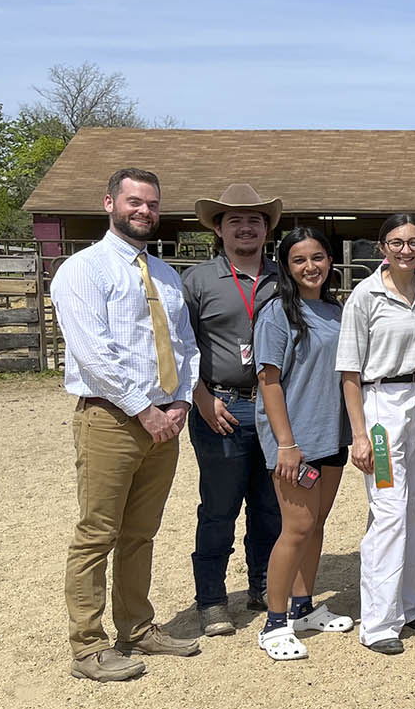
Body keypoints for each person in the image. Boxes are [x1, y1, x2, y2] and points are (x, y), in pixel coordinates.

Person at [52, 168, 202, 681]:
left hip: (165, 421)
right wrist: (145, 409)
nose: (144, 211)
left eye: (153, 204)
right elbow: (93, 352)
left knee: (141, 533)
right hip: (113, 419)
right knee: (97, 533)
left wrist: (180, 401)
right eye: (134, 201)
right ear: (109, 203)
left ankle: (136, 626)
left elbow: (185, 343)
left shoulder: (165, 275)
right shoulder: (83, 270)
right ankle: (87, 647)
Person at [182, 183, 283, 637]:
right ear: (219, 228)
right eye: (235, 220)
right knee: (219, 509)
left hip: (273, 408)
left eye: (255, 220)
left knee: (270, 507)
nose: (246, 227)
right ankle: (212, 600)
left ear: (266, 229)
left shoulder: (285, 278)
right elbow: (181, 347)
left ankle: (262, 583)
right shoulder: (198, 281)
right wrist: (201, 398)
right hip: (220, 406)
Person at [337, 213, 415, 655]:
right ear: (383, 247)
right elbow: (349, 370)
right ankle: (378, 622)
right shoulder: (365, 296)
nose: (406, 250)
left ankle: (408, 603)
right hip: (382, 408)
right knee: (390, 510)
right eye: (397, 242)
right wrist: (360, 434)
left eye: (414, 242)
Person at [253, 228, 355, 660]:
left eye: (318, 257)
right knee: (294, 529)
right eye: (299, 260)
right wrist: (286, 444)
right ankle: (274, 622)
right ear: (286, 266)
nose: (310, 267)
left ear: (330, 260)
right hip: (295, 439)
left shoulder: (336, 310)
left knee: (316, 524)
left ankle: (303, 606)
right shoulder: (277, 313)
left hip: (331, 433)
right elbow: (268, 380)